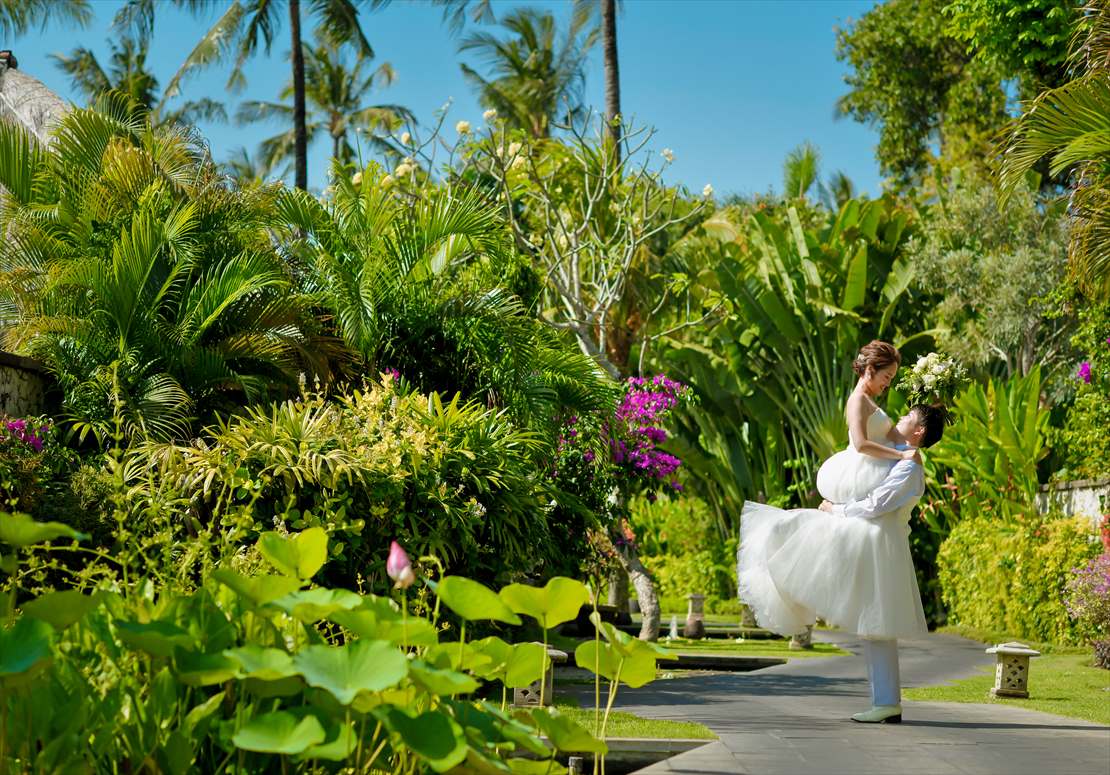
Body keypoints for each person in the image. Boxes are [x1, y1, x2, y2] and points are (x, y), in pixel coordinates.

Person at [737, 404, 948, 723]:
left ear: (918, 432)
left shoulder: (910, 466)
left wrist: (836, 510)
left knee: (878, 625)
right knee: (875, 626)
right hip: (869, 539)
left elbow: (879, 504)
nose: (900, 419)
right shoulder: (896, 456)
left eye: (907, 418)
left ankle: (887, 702)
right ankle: (886, 702)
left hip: (876, 542)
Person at [816, 340, 917, 506]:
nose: (888, 384)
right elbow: (860, 444)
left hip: (878, 465)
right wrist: (901, 455)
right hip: (863, 471)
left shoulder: (868, 400)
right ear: (870, 370)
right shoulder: (858, 400)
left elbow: (891, 432)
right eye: (887, 376)